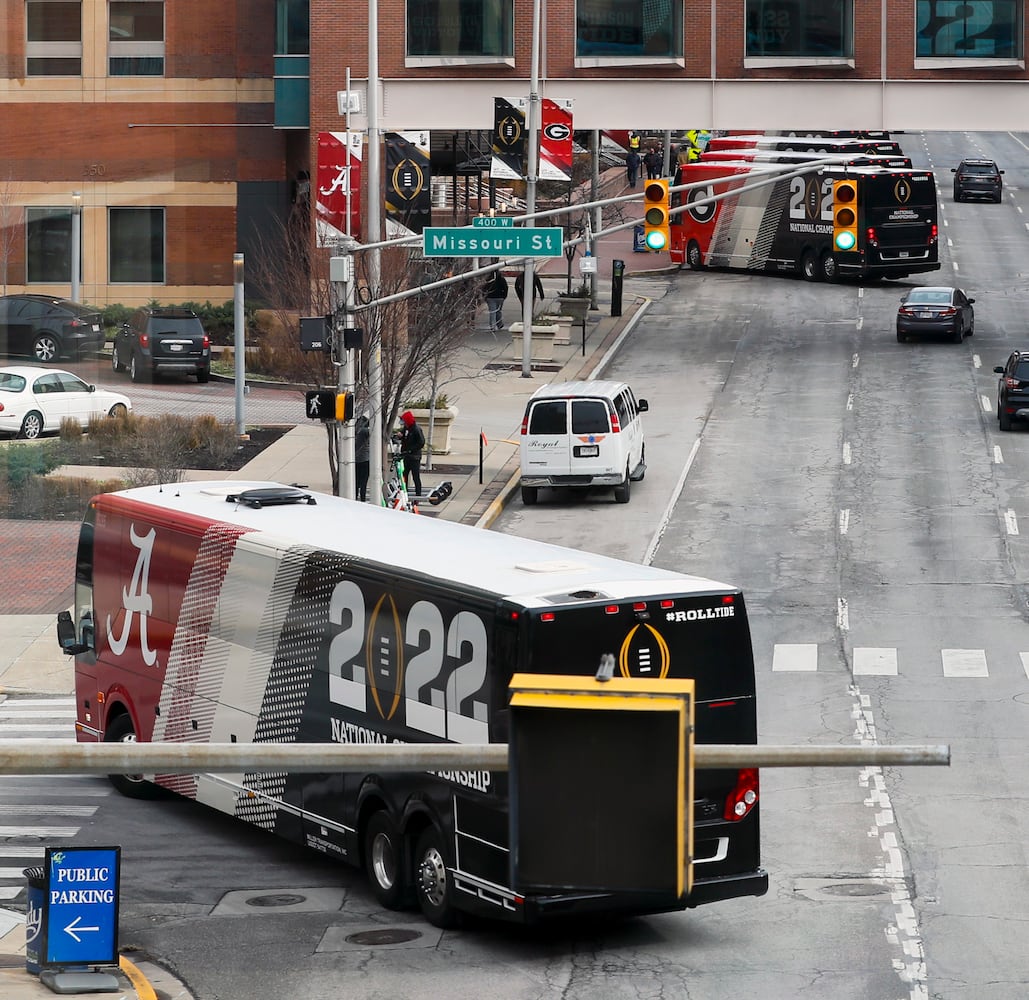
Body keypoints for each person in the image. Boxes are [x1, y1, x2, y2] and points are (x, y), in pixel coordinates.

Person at [398, 410, 424, 497]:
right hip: (407, 456)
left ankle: (418, 494)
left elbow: (421, 442)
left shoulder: (416, 429)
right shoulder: (407, 428)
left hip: (414, 457)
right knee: (404, 475)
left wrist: (411, 450)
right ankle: (404, 492)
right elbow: (405, 436)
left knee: (415, 476)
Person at [483, 268, 508, 332]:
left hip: (490, 297)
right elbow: (505, 287)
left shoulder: (488, 280)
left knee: (492, 312)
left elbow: (484, 288)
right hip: (500, 297)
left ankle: (493, 326)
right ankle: (499, 324)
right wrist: (504, 296)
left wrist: (484, 296)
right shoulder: (501, 279)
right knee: (498, 311)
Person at [354, 413, 370, 502]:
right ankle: (362, 500)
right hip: (365, 459)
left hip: (356, 460)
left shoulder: (355, 431)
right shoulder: (366, 431)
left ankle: (355, 498)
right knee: (364, 483)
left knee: (356, 482)